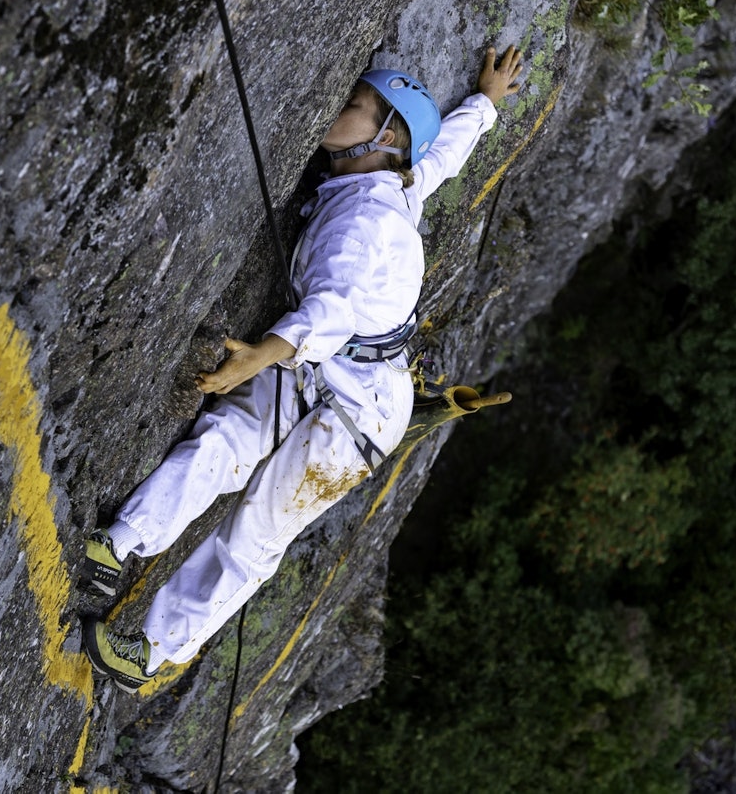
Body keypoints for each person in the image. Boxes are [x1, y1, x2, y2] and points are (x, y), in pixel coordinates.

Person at [82, 45, 525, 692]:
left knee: (259, 526)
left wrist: (265, 353)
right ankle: (119, 542)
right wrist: (484, 103)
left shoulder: (364, 221)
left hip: (359, 411)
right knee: (226, 440)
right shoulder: (395, 182)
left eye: (353, 106)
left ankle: (151, 653)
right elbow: (444, 155)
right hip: (337, 371)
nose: (337, 107)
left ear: (385, 135)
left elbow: (333, 305)